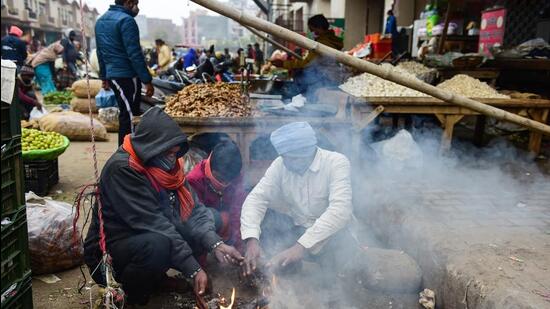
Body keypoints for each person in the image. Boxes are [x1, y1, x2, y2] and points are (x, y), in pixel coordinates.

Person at [84, 107, 243, 306]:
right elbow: (154, 223)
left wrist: (216, 244)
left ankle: (155, 279)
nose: (172, 158)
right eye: (167, 153)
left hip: (145, 235)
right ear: (150, 147)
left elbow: (195, 210)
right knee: (158, 244)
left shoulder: (168, 169)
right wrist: (193, 269)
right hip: (113, 253)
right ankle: (131, 297)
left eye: (175, 153)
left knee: (208, 218)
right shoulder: (123, 170)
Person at [240, 122, 353, 276]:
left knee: (335, 284)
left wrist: (299, 248)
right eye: (285, 158)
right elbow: (256, 199)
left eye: (292, 158)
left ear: (308, 152)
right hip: (299, 231)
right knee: (279, 264)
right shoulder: (281, 164)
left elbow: (340, 212)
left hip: (335, 238)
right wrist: (252, 239)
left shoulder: (336, 162)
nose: (287, 163)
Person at [95, 0, 154, 146]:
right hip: (127, 75)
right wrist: (147, 80)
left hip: (114, 75)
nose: (137, 7)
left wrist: (104, 76)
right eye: (136, 3)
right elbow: (134, 53)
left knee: (126, 113)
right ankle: (126, 153)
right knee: (130, 115)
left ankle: (125, 151)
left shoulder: (100, 20)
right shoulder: (127, 21)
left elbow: (100, 52)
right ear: (128, 2)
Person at [187, 140, 246, 252]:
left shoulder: (236, 176)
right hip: (205, 225)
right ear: (211, 168)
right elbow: (196, 218)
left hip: (227, 226)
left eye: (228, 180)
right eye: (219, 178)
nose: (224, 184)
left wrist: (239, 246)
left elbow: (238, 210)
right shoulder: (194, 179)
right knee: (219, 218)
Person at [271, 14, 344, 98]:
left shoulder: (322, 44)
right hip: (329, 78)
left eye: (312, 30)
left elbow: (307, 63)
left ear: (319, 28)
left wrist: (283, 64)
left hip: (325, 80)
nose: (312, 33)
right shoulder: (330, 40)